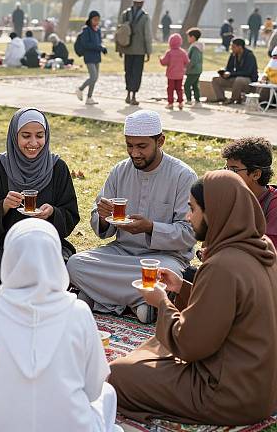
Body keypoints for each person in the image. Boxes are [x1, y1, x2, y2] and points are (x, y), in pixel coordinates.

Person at [109, 171, 277, 425]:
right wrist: (183, 288)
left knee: (117, 375)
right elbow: (234, 310)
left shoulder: (223, 265)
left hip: (228, 395)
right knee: (155, 348)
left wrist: (161, 302)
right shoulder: (262, 247)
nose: (188, 217)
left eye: (193, 209)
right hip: (263, 388)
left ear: (215, 212)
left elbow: (190, 346)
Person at [0, 219, 119, 432]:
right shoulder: (79, 312)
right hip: (70, 425)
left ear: (10, 258)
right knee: (108, 394)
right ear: (55, 259)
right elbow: (94, 389)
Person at [67, 110, 196, 323]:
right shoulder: (120, 171)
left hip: (163, 258)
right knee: (75, 264)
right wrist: (101, 216)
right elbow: (99, 223)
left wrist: (150, 228)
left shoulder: (183, 176)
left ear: (160, 141)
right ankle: (140, 302)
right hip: (120, 253)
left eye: (141, 146)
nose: (134, 153)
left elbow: (189, 233)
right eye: (129, 145)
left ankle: (100, 299)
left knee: (168, 274)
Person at [0, 108, 80, 297]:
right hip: (2, 243)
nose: (33, 143)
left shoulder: (57, 167)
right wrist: (4, 206)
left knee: (58, 269)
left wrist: (53, 213)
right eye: (26, 136)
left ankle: (45, 317)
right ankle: (6, 316)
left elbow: (70, 214)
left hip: (46, 242)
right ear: (14, 136)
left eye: (39, 136)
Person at [222, 137, 277, 248]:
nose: (227, 175)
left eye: (234, 170)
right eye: (226, 169)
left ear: (256, 174)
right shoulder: (231, 199)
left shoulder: (273, 205)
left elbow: (267, 250)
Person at [117, 0, 152, 106]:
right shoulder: (145, 17)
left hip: (127, 48)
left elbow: (120, 32)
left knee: (128, 71)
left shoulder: (125, 14)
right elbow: (147, 35)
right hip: (140, 50)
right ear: (142, 3)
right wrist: (148, 51)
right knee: (137, 73)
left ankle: (128, 94)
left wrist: (120, 49)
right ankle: (133, 96)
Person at [212, 38, 258, 104]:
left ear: (240, 47)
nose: (231, 48)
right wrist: (224, 72)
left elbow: (248, 72)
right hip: (236, 77)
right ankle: (221, 98)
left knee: (239, 80)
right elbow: (228, 68)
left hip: (249, 80)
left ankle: (233, 99)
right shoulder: (233, 54)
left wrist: (231, 74)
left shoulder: (249, 55)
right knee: (215, 79)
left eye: (233, 47)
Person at [77, 11, 108, 106]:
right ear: (90, 20)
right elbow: (86, 44)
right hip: (89, 56)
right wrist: (99, 47)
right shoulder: (86, 30)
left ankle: (89, 97)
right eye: (95, 20)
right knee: (93, 76)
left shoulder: (98, 30)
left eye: (98, 20)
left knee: (95, 78)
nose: (96, 22)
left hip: (96, 57)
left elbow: (99, 42)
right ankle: (80, 89)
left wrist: (103, 48)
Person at [159, 33, 189, 110]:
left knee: (170, 89)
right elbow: (187, 61)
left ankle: (170, 103)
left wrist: (160, 58)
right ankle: (180, 102)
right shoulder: (182, 52)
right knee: (179, 89)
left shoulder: (169, 52)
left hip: (171, 75)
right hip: (180, 75)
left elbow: (164, 62)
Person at [184, 28, 204, 106]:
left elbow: (193, 60)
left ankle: (189, 99)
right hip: (198, 70)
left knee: (187, 85)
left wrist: (187, 67)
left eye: (188, 37)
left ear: (193, 37)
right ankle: (197, 99)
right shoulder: (198, 46)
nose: (187, 39)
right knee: (195, 85)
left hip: (193, 70)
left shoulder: (195, 47)